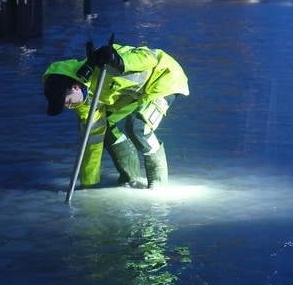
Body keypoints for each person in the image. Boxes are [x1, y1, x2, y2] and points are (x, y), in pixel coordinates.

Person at [43, 39, 190, 189]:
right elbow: (92, 144)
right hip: (134, 94)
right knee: (102, 130)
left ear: (75, 87)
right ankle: (130, 178)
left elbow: (150, 57)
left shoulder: (104, 66)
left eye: (66, 101)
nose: (68, 107)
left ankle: (158, 186)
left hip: (165, 78)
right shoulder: (82, 103)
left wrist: (121, 61)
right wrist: (89, 187)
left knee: (138, 126)